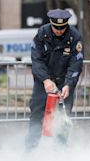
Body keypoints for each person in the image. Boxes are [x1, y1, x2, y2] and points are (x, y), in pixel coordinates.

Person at [25, 8, 84, 150]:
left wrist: (69, 85)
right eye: (56, 28)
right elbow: (36, 60)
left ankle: (60, 150)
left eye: (62, 28)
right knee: (37, 112)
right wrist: (45, 80)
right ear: (51, 24)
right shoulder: (42, 33)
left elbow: (76, 64)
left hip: (64, 82)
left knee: (64, 115)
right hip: (43, 82)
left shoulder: (74, 36)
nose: (59, 31)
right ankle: (30, 149)